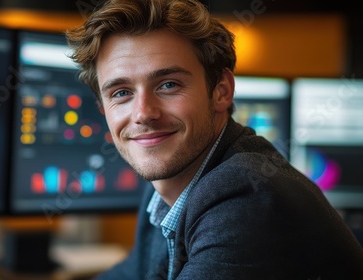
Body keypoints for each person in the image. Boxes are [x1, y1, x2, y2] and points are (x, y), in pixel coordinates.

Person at [66, 0, 363, 279]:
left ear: (221, 91)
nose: (143, 113)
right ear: (104, 109)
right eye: (121, 93)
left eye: (168, 85)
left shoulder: (246, 196)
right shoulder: (165, 187)